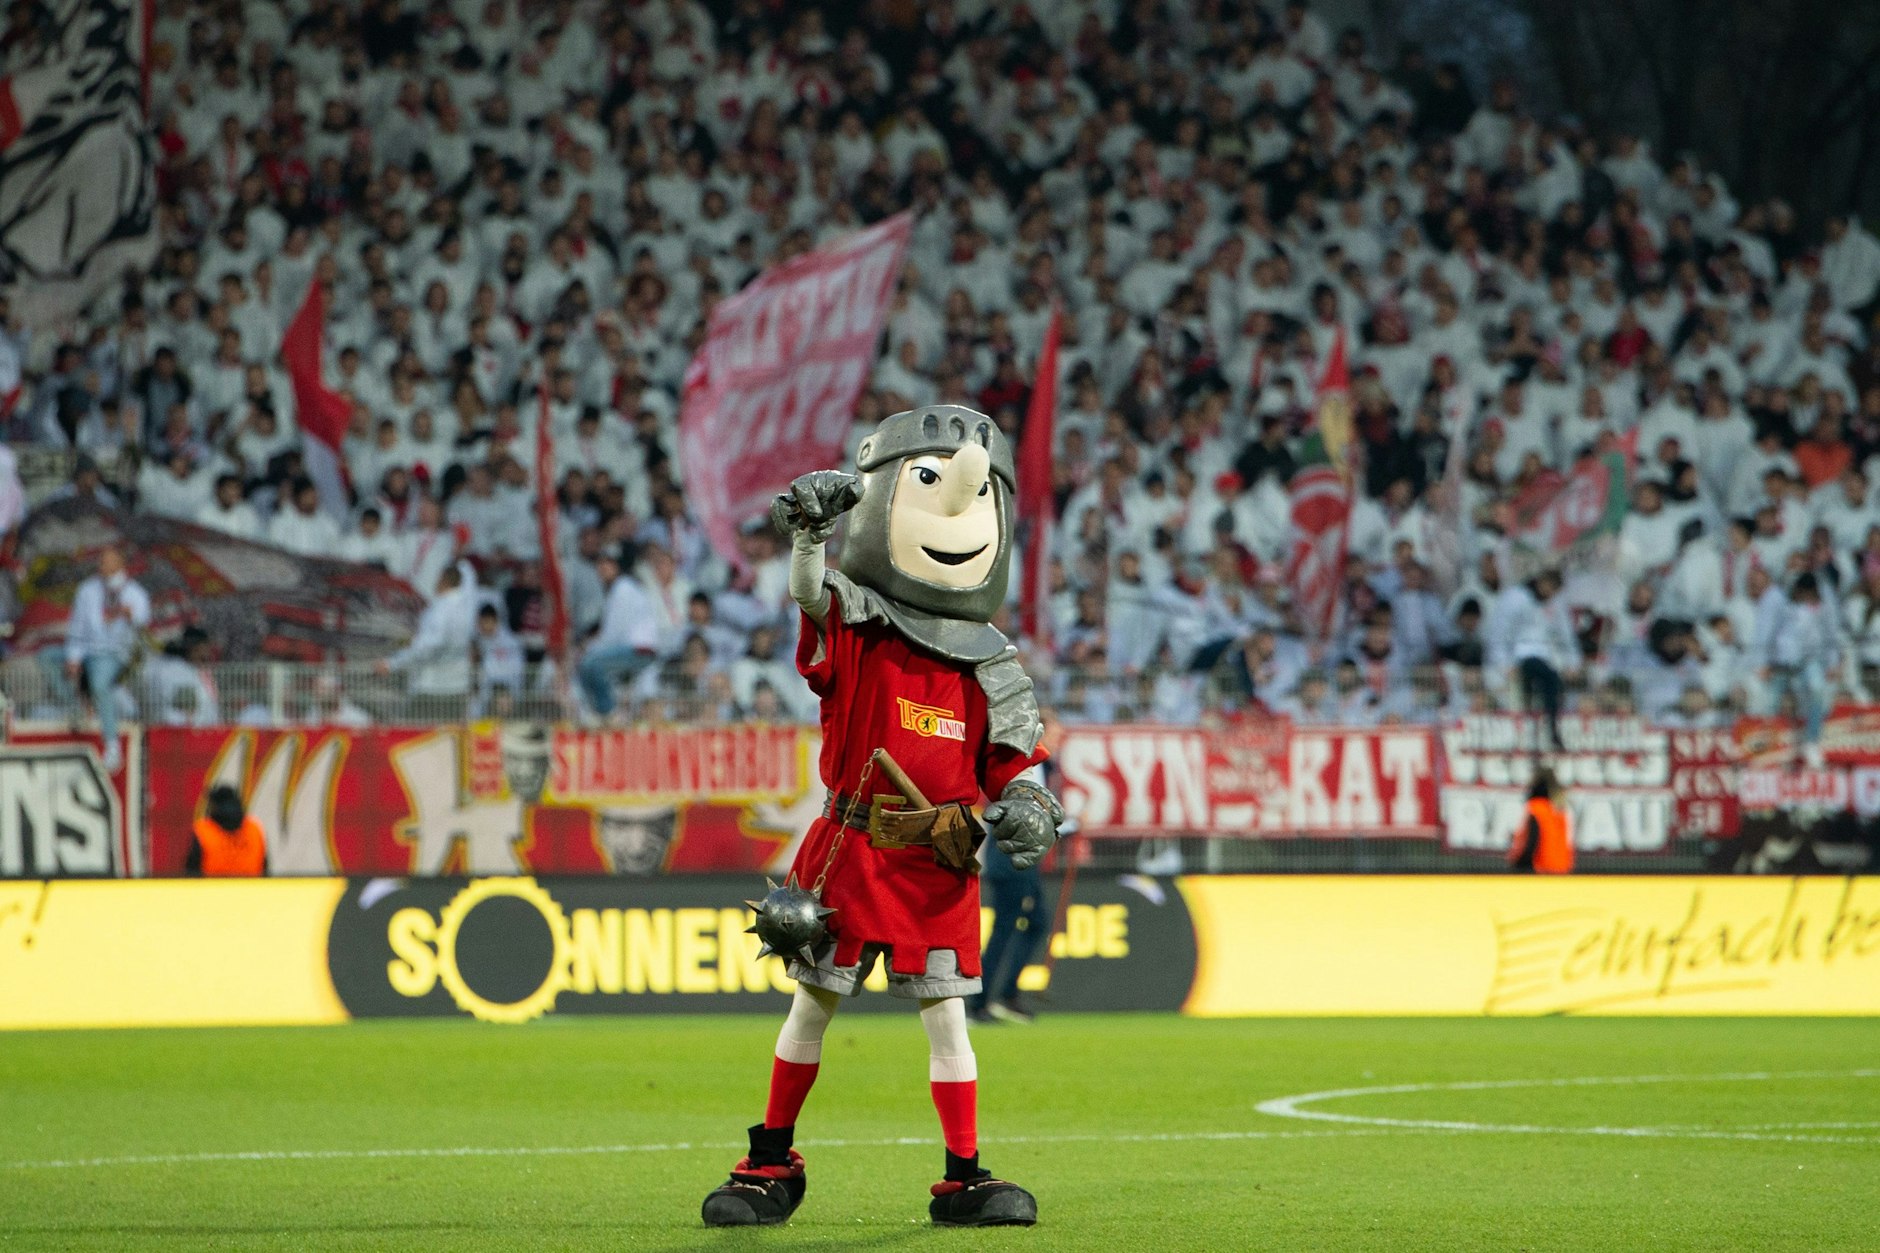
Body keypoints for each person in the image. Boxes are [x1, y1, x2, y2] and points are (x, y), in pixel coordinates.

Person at [701, 406, 1058, 1229]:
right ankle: (768, 1160)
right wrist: (805, 540)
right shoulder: (861, 621)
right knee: (811, 1007)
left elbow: (1015, 769)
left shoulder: (992, 664)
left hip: (939, 861)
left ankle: (963, 1173)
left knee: (948, 1018)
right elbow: (810, 595)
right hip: (853, 850)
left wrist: (1030, 807)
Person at [63, 545, 151, 771]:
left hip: (116, 653)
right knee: (47, 659)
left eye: (107, 560)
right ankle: (80, 707)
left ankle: (111, 745)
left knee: (100, 681)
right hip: (89, 652)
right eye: (100, 560)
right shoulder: (87, 591)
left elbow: (143, 621)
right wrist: (73, 657)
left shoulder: (134, 593)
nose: (101, 564)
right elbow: (77, 628)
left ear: (120, 563)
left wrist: (128, 614)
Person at [576, 553, 659, 719]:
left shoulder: (622, 588)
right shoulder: (619, 589)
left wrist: (589, 647)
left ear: (616, 567)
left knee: (590, 663)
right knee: (587, 664)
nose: (603, 570)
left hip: (639, 649)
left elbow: (612, 634)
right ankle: (598, 713)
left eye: (607, 565)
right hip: (633, 647)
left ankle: (608, 713)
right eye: (600, 567)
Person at [186, 785, 268, 876]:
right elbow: (265, 869)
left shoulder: (202, 831)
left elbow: (191, 872)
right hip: (252, 889)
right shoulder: (254, 829)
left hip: (211, 889)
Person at [1508, 765, 1573, 874]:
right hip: (1562, 870)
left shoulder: (1536, 808)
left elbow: (1532, 842)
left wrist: (1519, 867)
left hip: (1541, 871)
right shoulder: (1561, 811)